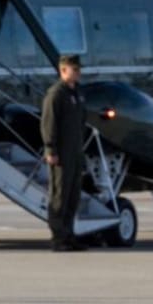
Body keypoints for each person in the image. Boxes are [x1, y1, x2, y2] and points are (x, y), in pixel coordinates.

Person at [40, 54, 87, 252]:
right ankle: (58, 238)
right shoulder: (56, 94)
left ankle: (69, 234)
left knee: (73, 195)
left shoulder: (77, 93)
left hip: (76, 151)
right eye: (74, 69)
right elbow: (48, 124)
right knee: (59, 195)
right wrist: (50, 149)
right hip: (61, 152)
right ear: (63, 70)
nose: (77, 73)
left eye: (78, 69)